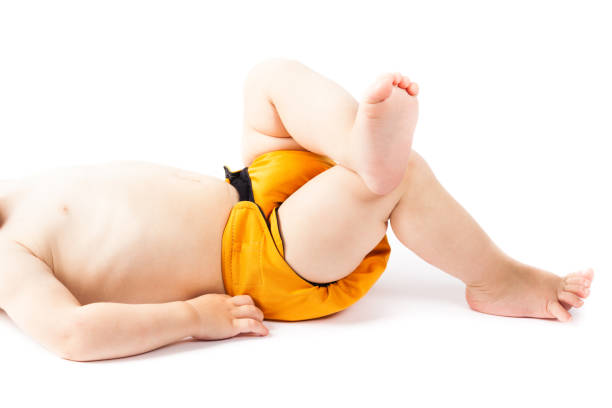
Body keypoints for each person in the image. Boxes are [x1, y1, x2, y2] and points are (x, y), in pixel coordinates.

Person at [0, 59, 593, 362]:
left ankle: (357, 148)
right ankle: (496, 279)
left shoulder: (18, 193)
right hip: (269, 256)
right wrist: (191, 317)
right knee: (395, 180)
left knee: (269, 79)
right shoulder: (9, 257)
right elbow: (71, 336)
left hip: (248, 185)